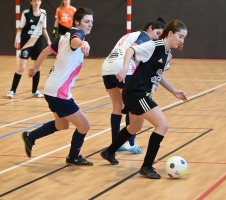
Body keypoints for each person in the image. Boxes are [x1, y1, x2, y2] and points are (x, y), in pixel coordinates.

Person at [100, 20, 188, 179]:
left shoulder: (167, 54)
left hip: (139, 92)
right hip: (136, 92)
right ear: (170, 33)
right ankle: (147, 166)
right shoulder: (155, 45)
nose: (182, 41)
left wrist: (174, 91)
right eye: (180, 36)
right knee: (162, 125)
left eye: (184, 38)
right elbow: (131, 50)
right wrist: (125, 67)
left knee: (134, 127)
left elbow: (158, 76)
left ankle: (109, 152)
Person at [21, 7, 94, 166]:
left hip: (51, 89)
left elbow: (44, 52)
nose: (90, 25)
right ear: (77, 22)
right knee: (84, 125)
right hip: (59, 91)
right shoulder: (77, 34)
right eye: (87, 21)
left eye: (91, 22)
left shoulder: (62, 38)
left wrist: (36, 68)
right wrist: (83, 42)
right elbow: (76, 40)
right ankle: (73, 157)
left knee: (62, 124)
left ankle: (30, 137)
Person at [101, 16, 166, 154]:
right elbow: (132, 49)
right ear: (150, 28)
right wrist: (125, 68)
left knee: (118, 107)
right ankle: (130, 143)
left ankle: (116, 143)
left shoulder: (131, 35)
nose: (157, 37)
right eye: (157, 33)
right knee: (133, 106)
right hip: (121, 67)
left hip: (107, 68)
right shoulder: (144, 37)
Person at [7, 0, 51, 99]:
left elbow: (44, 28)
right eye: (35, 0)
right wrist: (17, 38)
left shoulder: (43, 13)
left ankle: (34, 91)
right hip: (27, 44)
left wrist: (48, 40)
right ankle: (12, 90)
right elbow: (20, 28)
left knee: (37, 67)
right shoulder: (26, 13)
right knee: (21, 68)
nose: (37, 2)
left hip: (38, 44)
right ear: (31, 2)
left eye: (39, 0)